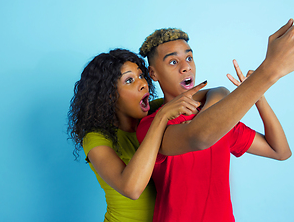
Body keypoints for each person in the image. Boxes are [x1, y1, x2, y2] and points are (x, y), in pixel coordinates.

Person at [136, 17, 294, 222]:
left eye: (189, 58)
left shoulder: (223, 120)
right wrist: (268, 73)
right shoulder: (152, 125)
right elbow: (200, 137)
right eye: (173, 61)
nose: (185, 67)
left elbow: (280, 151)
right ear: (153, 73)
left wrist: (259, 98)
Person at [67, 48, 207, 222]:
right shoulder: (96, 138)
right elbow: (131, 188)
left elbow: (210, 94)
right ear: (110, 95)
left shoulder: (155, 112)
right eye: (129, 80)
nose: (143, 84)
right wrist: (162, 117)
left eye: (141, 76)